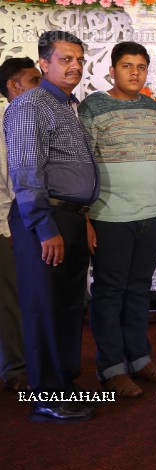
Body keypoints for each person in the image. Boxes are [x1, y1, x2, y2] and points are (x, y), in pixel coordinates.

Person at [5, 31, 99, 422]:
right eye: (65, 59)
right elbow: (26, 173)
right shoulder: (31, 105)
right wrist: (45, 227)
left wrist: (84, 219)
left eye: (78, 59)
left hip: (72, 217)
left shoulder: (68, 105)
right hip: (45, 219)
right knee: (43, 307)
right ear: (44, 64)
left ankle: (63, 382)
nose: (74, 65)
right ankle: (46, 396)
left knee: (67, 306)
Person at [79, 42, 156, 398]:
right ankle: (111, 369)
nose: (134, 72)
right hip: (110, 216)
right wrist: (86, 217)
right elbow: (82, 165)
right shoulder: (94, 106)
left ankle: (139, 359)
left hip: (151, 214)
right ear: (113, 69)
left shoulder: (155, 109)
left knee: (138, 291)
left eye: (140, 66)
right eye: (127, 66)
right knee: (109, 293)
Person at [0, 56, 40, 393]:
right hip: (8, 226)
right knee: (11, 301)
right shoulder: (8, 120)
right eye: (34, 81)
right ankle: (15, 368)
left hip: (25, 222)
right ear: (15, 86)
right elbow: (11, 184)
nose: (40, 89)